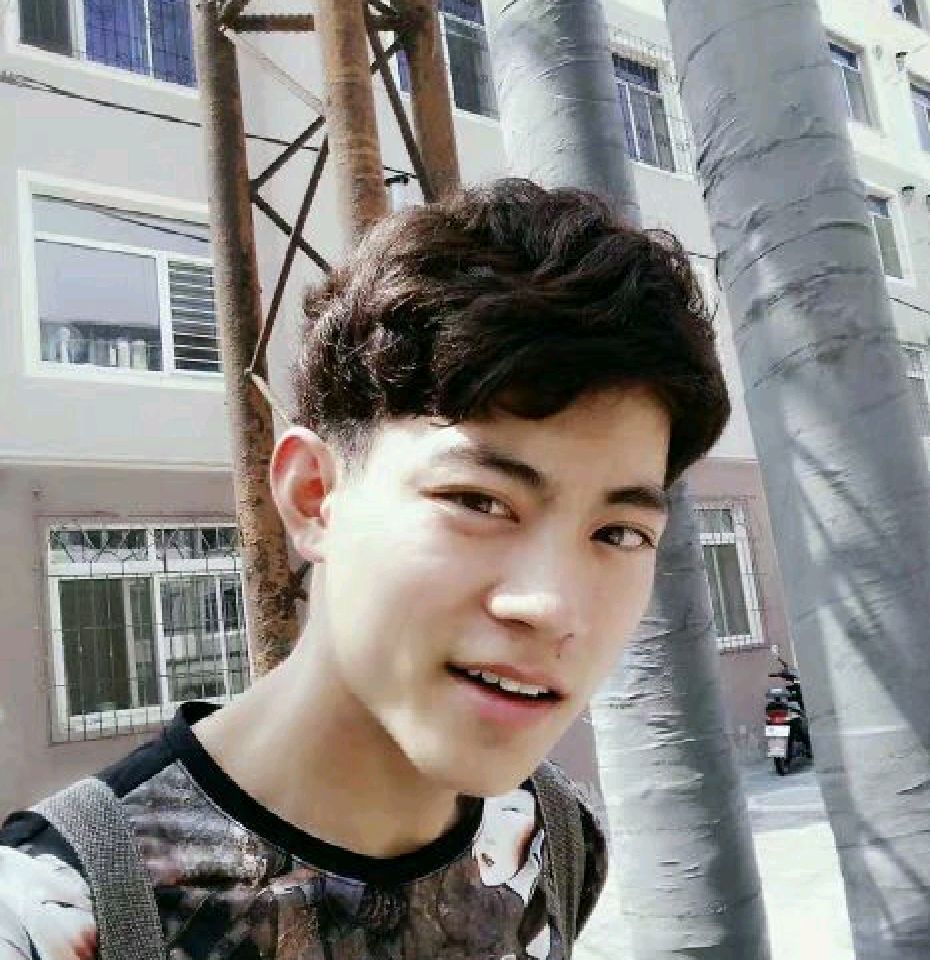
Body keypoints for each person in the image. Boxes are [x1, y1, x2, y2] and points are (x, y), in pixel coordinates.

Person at [0, 178, 730, 959]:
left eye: (618, 533)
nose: (551, 604)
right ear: (315, 497)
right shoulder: (54, 912)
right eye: (479, 501)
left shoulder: (552, 840)